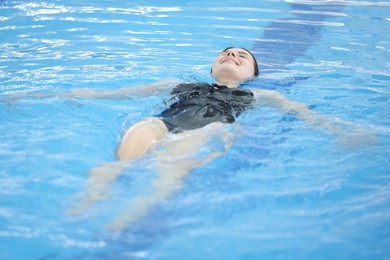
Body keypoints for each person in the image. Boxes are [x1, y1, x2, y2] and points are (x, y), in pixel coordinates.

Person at [39, 47, 370, 231]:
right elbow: (112, 94)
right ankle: (87, 203)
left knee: (169, 174)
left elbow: (308, 115)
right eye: (225, 53)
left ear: (252, 75)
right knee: (125, 155)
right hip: (160, 124)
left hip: (210, 130)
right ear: (212, 68)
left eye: (242, 57)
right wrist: (50, 94)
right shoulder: (178, 84)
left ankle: (129, 217)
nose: (232, 56)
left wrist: (344, 132)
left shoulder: (259, 96)